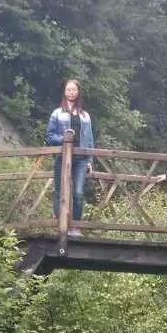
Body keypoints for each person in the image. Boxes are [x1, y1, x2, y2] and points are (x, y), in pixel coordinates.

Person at [45, 79, 94, 237]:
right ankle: (61, 224)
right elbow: (49, 137)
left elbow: (90, 140)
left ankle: (76, 227)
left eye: (74, 90)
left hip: (81, 159)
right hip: (62, 157)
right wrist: (65, 138)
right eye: (68, 90)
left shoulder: (85, 116)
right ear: (64, 92)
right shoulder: (57, 113)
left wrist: (90, 161)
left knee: (78, 193)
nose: (71, 92)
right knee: (60, 191)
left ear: (78, 92)